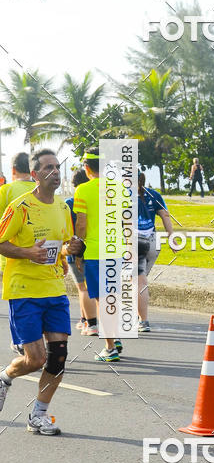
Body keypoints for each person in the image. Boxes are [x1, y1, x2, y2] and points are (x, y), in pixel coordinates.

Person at [0, 148, 85, 433]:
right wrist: (26, 252)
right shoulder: (21, 206)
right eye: (48, 167)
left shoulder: (63, 208)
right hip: (23, 290)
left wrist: (70, 249)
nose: (55, 172)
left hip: (54, 289)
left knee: (58, 356)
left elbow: (63, 244)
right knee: (34, 360)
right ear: (35, 174)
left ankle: (39, 415)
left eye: (57, 167)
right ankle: (5, 376)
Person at [74, 148, 121, 362]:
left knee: (102, 299)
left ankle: (110, 348)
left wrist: (77, 250)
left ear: (86, 168)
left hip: (94, 252)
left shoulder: (82, 190)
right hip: (116, 250)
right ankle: (115, 337)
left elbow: (81, 224)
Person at [137, 171, 174, 332]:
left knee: (139, 283)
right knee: (140, 281)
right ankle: (137, 313)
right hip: (153, 242)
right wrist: (171, 237)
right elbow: (165, 215)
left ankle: (143, 321)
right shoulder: (153, 194)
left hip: (134, 242)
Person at [64, 169, 95, 332]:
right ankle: (85, 319)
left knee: (83, 288)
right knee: (94, 287)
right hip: (95, 248)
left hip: (76, 247)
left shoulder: (70, 202)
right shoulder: (94, 198)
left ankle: (92, 324)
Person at [0, 152, 36, 276]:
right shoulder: (41, 189)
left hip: (12, 258)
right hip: (41, 254)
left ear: (14, 169)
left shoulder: (6, 190)